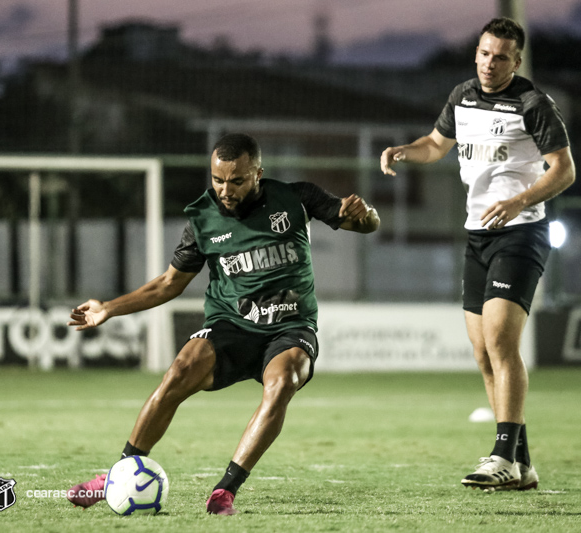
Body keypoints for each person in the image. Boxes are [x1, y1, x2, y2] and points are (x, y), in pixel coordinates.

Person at [66, 132, 380, 514]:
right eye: (217, 180)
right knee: (180, 370)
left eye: (237, 181)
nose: (225, 190)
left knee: (282, 383)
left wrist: (366, 216)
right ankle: (116, 475)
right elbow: (169, 284)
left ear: (258, 174)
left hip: (290, 327)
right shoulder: (202, 219)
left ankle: (225, 490)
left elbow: (364, 225)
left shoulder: (297, 198)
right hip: (231, 324)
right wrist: (108, 308)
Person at [380, 17, 575, 491]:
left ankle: (503, 455)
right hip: (477, 235)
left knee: (502, 342)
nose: (491, 63)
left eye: (502, 57)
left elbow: (564, 170)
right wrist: (404, 150)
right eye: (485, 53)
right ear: (477, 53)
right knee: (483, 352)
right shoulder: (462, 95)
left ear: (516, 60)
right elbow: (435, 145)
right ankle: (522, 465)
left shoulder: (532, 104)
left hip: (522, 232)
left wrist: (520, 200)